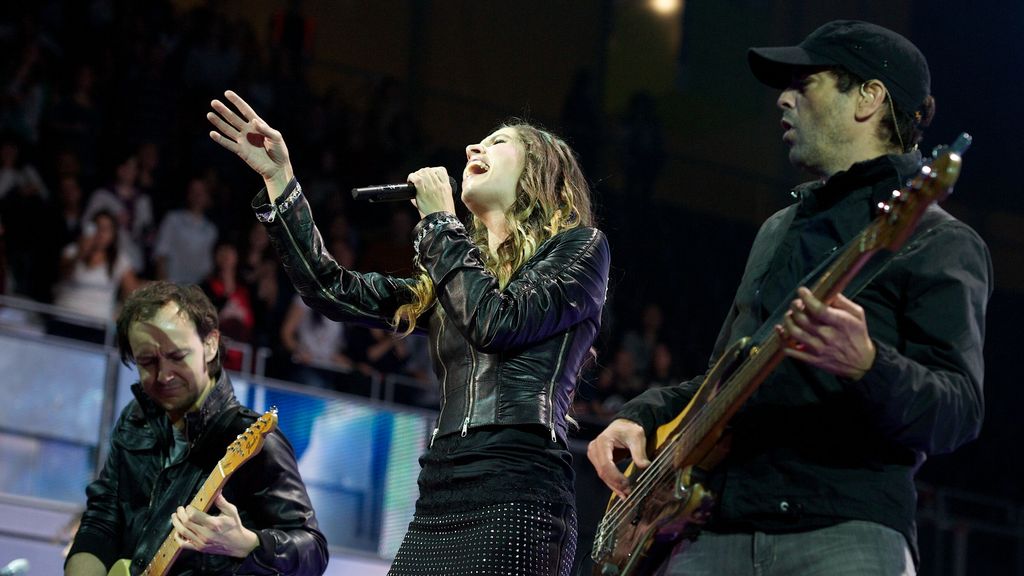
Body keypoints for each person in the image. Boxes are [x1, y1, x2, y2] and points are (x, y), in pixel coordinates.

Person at [587, 20, 992, 576]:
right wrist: (641, 413)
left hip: (843, 533)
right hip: (715, 529)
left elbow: (959, 411)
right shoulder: (778, 228)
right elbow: (724, 377)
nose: (783, 98)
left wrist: (869, 366)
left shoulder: (940, 240)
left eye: (806, 83)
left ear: (868, 99)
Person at [208, 89, 609, 575]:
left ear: (539, 173)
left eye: (497, 142)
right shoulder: (457, 271)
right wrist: (280, 181)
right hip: (440, 491)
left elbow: (497, 322)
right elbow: (329, 289)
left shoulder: (581, 249)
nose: (471, 151)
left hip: (517, 490)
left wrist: (440, 221)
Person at [64, 281, 329, 575]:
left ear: (210, 344)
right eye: (148, 362)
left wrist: (249, 544)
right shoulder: (134, 419)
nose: (164, 375)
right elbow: (101, 519)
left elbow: (313, 551)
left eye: (177, 356)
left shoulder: (253, 438)